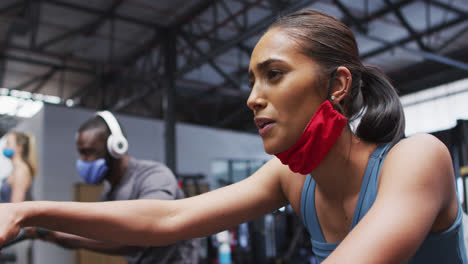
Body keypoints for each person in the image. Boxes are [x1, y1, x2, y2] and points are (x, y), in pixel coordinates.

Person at [0, 8, 466, 263]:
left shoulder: (417, 158)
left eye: (275, 75)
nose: (253, 98)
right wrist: (25, 211)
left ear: (338, 85)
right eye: (251, 81)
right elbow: (169, 219)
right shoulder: (290, 178)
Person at [26, 111, 199, 264]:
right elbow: (102, 235)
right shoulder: (109, 193)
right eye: (80, 153)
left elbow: (145, 233)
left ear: (116, 147)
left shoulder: (154, 176)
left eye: (88, 152)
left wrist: (67, 238)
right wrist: (58, 232)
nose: (82, 161)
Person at [1, 131, 37, 203]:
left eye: (8, 143)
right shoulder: (16, 169)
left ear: (19, 148)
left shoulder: (21, 171)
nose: (5, 147)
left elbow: (16, 204)